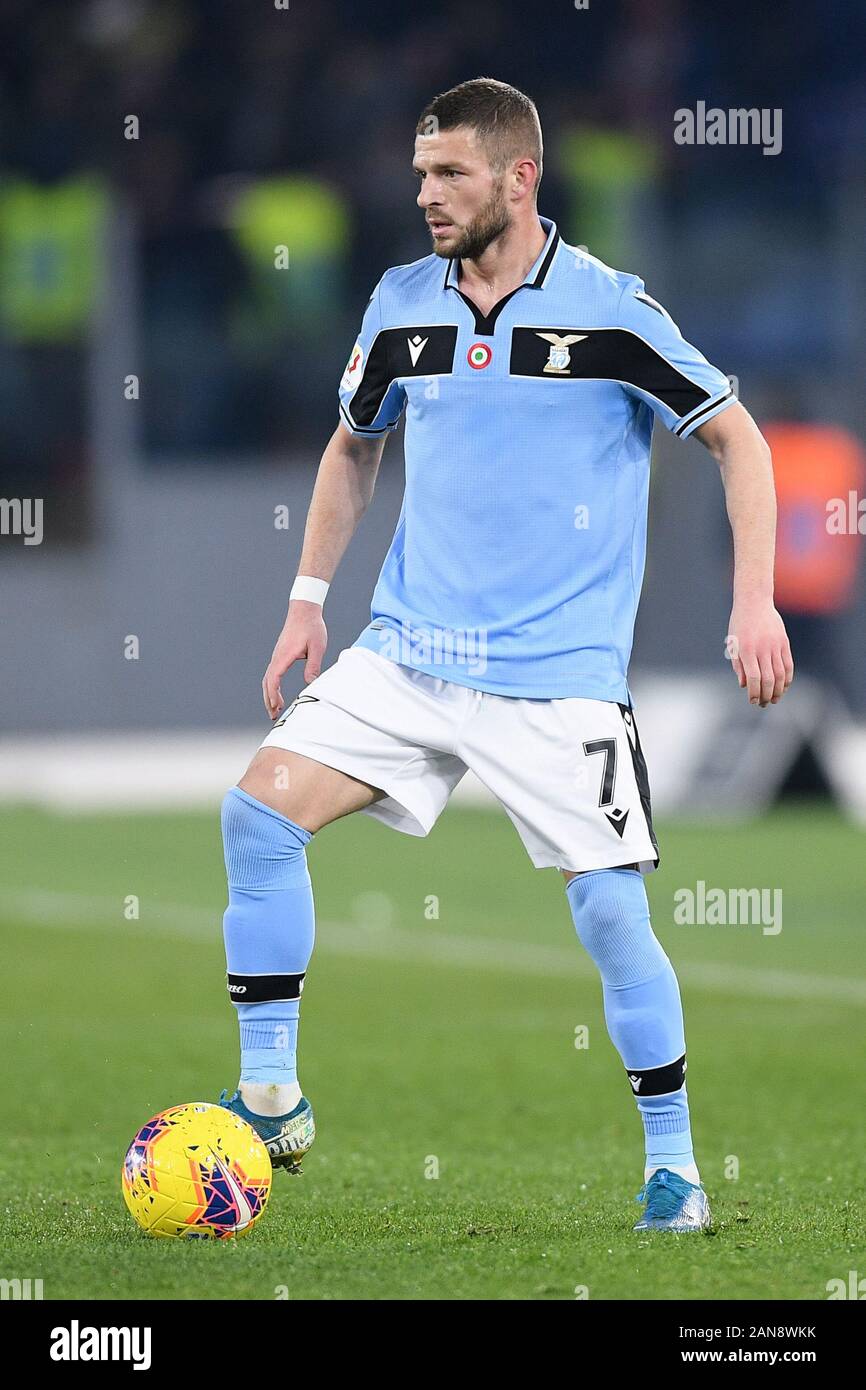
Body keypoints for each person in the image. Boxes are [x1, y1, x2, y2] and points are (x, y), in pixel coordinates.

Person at [218, 78, 794, 1233]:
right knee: (255, 813)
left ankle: (672, 1169)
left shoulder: (609, 313)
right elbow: (351, 447)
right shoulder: (399, 303)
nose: (426, 194)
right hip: (407, 651)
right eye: (420, 173)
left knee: (611, 919)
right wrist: (305, 600)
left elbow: (735, 438)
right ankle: (271, 1095)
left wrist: (752, 603)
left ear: (518, 177)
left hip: (555, 679)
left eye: (449, 174)